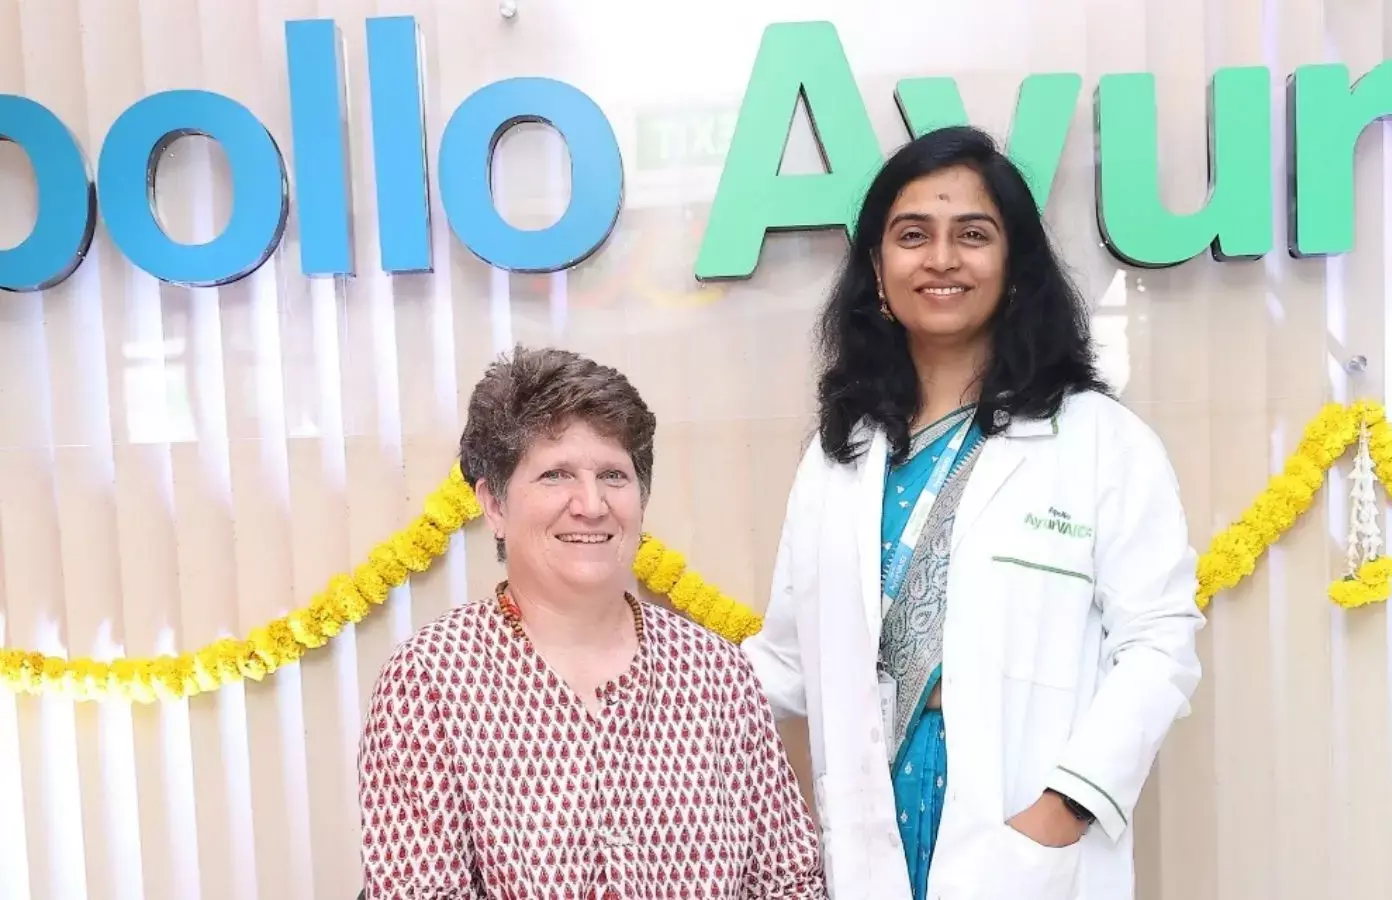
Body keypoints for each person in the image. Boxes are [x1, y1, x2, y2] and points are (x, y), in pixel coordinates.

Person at [740, 125, 1205, 900]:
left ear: (1015, 267)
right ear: (877, 271)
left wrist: (1065, 808)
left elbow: (1159, 643)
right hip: (872, 815)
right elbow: (788, 660)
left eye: (973, 235)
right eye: (912, 235)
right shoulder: (838, 455)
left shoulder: (1100, 440)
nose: (942, 258)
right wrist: (625, 681)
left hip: (1021, 827)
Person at [357, 346, 826, 899]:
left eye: (613, 475)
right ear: (494, 505)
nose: (591, 503)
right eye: (555, 475)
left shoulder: (716, 671)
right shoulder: (430, 682)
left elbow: (790, 883)